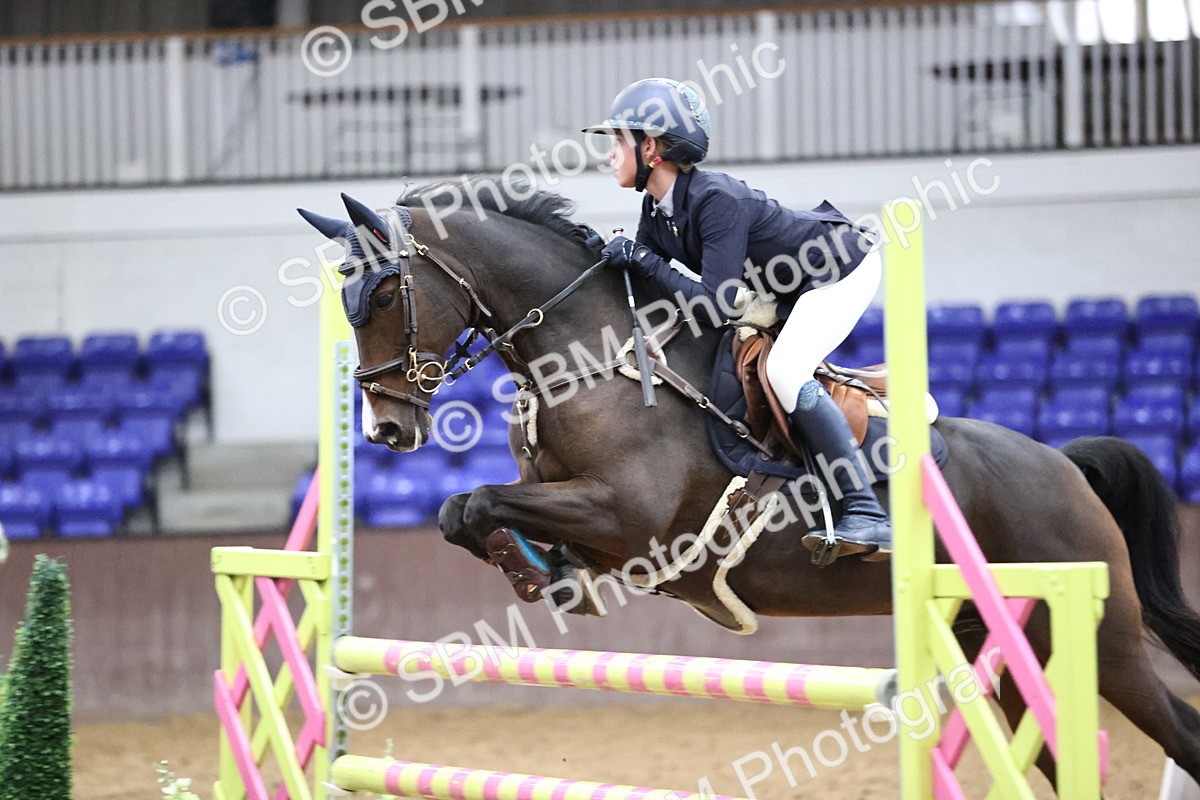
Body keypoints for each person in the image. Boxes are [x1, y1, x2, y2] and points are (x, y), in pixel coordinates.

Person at [583, 77, 890, 562]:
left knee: (786, 371)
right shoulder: (659, 209)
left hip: (838, 271)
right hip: (782, 288)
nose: (609, 154)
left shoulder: (715, 200)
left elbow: (714, 304)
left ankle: (867, 511)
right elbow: (650, 281)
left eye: (618, 141)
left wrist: (642, 259)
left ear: (650, 147)